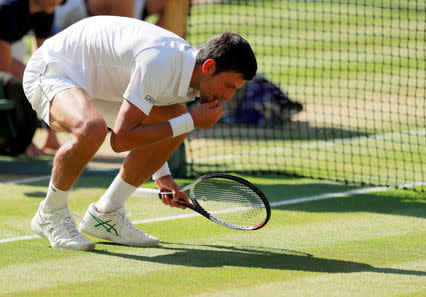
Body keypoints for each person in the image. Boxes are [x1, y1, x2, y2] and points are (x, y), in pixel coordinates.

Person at [23, 15, 257, 250]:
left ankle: (106, 214)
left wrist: (162, 177)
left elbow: (150, 126)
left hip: (100, 85)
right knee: (91, 129)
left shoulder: (183, 74)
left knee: (178, 120)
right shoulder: (160, 63)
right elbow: (121, 140)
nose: (228, 97)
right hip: (52, 70)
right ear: (209, 67)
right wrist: (192, 120)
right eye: (228, 86)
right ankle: (50, 212)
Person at [0, 0, 63, 155]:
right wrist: (25, 141)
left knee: (42, 77)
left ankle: (51, 136)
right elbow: (5, 77)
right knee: (18, 79)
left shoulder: (47, 9)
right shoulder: (8, 9)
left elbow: (44, 67)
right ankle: (18, 138)